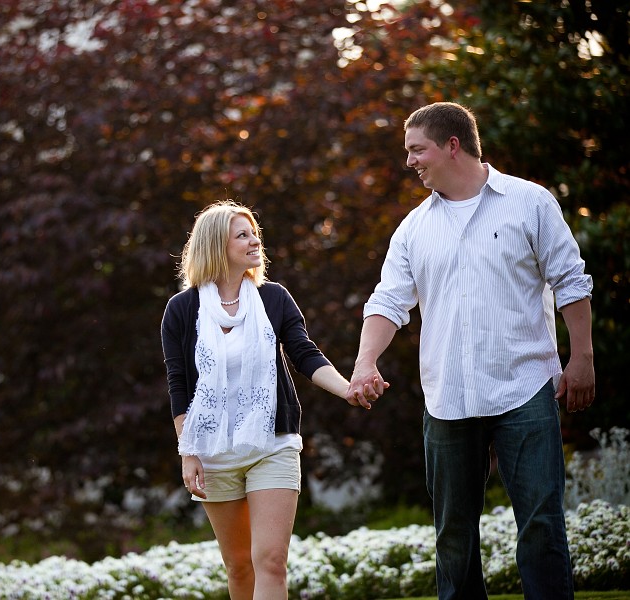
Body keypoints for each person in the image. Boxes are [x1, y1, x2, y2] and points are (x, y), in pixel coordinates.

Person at [347, 102, 595, 600]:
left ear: (452, 145)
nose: (410, 161)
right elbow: (390, 300)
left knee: (542, 528)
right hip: (448, 398)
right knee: (454, 540)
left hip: (524, 390)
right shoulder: (414, 228)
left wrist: (582, 357)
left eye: (417, 150)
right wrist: (364, 361)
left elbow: (570, 280)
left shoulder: (531, 203)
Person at [161, 200, 381, 599]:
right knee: (240, 566)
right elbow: (179, 386)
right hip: (212, 452)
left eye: (254, 233)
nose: (253, 240)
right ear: (215, 245)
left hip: (273, 444)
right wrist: (187, 452)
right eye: (242, 235)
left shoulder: (274, 298)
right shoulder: (181, 310)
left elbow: (304, 353)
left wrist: (346, 387)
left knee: (271, 561)